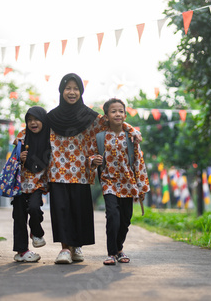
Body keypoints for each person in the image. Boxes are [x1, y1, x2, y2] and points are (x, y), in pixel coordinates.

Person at [46, 73, 141, 264]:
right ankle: (64, 249)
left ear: (81, 91)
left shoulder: (89, 116)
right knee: (61, 209)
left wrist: (132, 130)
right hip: (57, 170)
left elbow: (114, 121)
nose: (72, 92)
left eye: (76, 88)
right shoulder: (51, 117)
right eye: (68, 88)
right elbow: (36, 129)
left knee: (79, 210)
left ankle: (77, 246)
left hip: (82, 170)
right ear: (61, 91)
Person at [91, 98, 150, 265]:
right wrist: (92, 160)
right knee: (113, 216)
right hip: (108, 182)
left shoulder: (131, 137)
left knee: (125, 219)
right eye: (113, 111)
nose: (118, 114)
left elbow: (138, 161)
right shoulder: (100, 137)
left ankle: (119, 248)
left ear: (125, 114)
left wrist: (142, 186)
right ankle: (111, 253)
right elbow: (91, 153)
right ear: (107, 116)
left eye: (121, 111)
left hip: (128, 184)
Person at [11, 106, 51, 262]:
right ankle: (22, 252)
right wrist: (19, 156)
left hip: (38, 183)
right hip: (21, 183)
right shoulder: (22, 135)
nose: (33, 123)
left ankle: (36, 232)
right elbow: (13, 158)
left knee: (34, 208)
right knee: (19, 216)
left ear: (43, 120)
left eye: (36, 119)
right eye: (29, 120)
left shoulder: (50, 136)